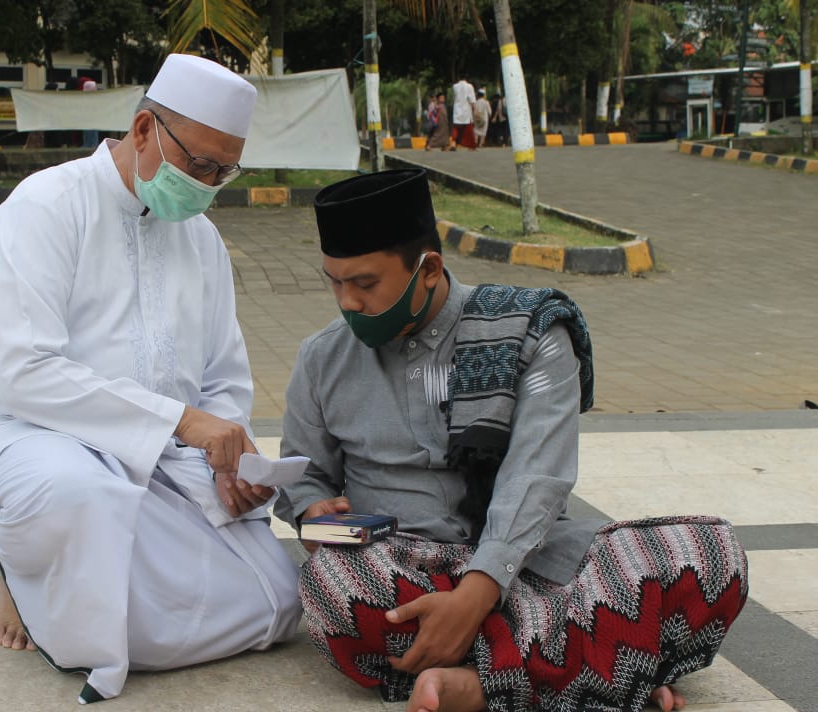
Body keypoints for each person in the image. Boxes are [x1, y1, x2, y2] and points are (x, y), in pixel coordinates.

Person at [273, 169, 748, 712]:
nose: (347, 302)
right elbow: (304, 472)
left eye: (364, 284)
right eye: (334, 282)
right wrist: (315, 511)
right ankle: (599, 670)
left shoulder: (532, 332)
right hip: (402, 567)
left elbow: (536, 478)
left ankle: (474, 686)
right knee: (332, 584)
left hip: (531, 562)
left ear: (428, 269)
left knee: (709, 558)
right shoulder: (321, 358)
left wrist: (475, 597)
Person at [0, 53, 302, 704]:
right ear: (144, 130)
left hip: (164, 457)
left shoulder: (201, 240)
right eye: (199, 165)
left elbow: (223, 379)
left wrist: (229, 452)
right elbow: (24, 374)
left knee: (278, 602)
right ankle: (25, 572)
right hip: (34, 441)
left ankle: (61, 593)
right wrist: (181, 422)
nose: (207, 185)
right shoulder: (44, 209)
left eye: (225, 171)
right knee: (79, 491)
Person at [450, 74, 477, 150]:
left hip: (457, 109)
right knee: (468, 129)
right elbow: (472, 99)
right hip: (466, 110)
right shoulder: (469, 86)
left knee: (456, 128)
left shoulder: (455, 86)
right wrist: (475, 109)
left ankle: (453, 143)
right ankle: (470, 146)